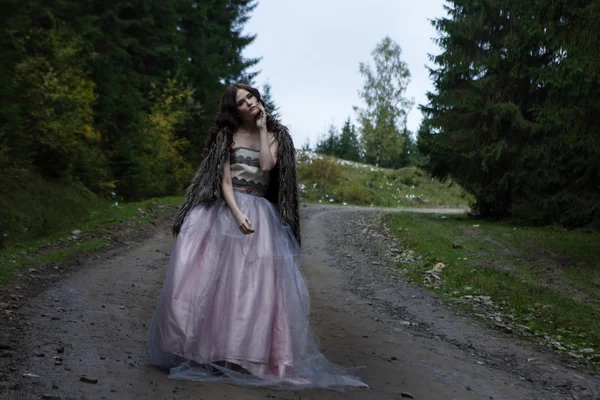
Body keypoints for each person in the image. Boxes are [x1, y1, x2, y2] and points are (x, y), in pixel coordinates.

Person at [147, 83, 367, 390]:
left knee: (251, 289)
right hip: (226, 210)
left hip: (261, 213)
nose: (250, 102)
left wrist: (263, 129)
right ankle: (204, 350)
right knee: (211, 282)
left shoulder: (277, 136)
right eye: (242, 101)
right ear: (233, 109)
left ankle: (243, 354)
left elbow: (266, 166)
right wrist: (237, 214)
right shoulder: (227, 136)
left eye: (252, 96)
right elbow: (224, 180)